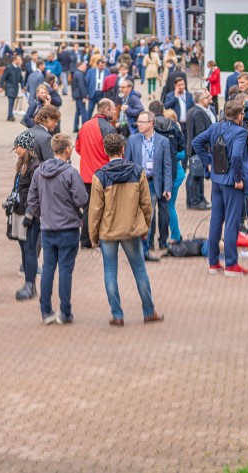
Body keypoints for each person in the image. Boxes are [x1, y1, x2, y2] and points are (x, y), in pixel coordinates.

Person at [89, 133, 164, 326]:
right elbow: (146, 204)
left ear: (105, 151)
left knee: (110, 271)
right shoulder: (137, 171)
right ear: (123, 149)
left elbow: (95, 210)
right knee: (139, 269)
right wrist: (145, 226)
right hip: (131, 228)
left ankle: (117, 314)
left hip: (108, 230)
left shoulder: (99, 176)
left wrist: (93, 235)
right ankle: (149, 311)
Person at [25, 134, 88, 325]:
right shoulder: (70, 172)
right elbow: (82, 199)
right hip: (68, 227)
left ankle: (46, 311)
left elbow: (32, 200)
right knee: (65, 270)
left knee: (48, 270)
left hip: (48, 227)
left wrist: (43, 213)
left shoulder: (39, 172)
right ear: (67, 149)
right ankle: (65, 311)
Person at [193, 100, 248, 277]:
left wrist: (208, 163)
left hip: (217, 180)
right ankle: (231, 264)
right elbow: (236, 156)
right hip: (232, 183)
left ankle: (213, 262)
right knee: (232, 222)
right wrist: (238, 178)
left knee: (216, 221)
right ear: (240, 115)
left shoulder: (215, 127)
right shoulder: (240, 132)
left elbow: (197, 142)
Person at [125, 110, 172, 262]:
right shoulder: (133, 140)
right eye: (138, 122)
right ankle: (142, 250)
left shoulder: (163, 141)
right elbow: (127, 163)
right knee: (144, 218)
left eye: (142, 122)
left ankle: (145, 249)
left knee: (149, 217)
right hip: (138, 183)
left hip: (154, 183)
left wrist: (168, 188)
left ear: (151, 123)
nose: (138, 124)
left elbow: (167, 166)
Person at [75, 98, 116, 248]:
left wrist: (89, 157)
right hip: (103, 175)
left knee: (87, 208)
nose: (115, 111)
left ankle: (85, 240)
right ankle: (100, 238)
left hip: (86, 174)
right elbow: (114, 154)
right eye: (113, 109)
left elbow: (78, 148)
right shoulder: (108, 128)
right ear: (105, 110)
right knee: (104, 208)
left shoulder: (84, 126)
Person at [11, 131, 42, 301]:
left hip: (29, 214)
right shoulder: (23, 165)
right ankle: (28, 283)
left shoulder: (35, 167)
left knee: (30, 249)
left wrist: (30, 213)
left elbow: (36, 192)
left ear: (27, 148)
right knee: (24, 249)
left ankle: (30, 285)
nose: (16, 150)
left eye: (19, 147)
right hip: (19, 210)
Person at [186, 90, 215, 210]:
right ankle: (195, 201)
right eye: (207, 97)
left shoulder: (194, 110)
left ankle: (199, 198)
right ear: (202, 100)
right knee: (196, 176)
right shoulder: (198, 113)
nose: (209, 98)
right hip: (198, 150)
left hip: (194, 149)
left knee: (195, 175)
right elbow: (201, 133)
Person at [163, 109, 186, 243]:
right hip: (176, 173)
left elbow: (181, 154)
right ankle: (175, 234)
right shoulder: (174, 131)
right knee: (169, 206)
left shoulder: (174, 133)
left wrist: (168, 155)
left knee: (169, 206)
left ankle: (175, 235)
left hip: (176, 174)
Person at [0, 54, 22, 122]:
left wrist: (23, 87)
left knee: (12, 101)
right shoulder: (8, 67)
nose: (19, 61)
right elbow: (3, 77)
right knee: (11, 101)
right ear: (14, 60)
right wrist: (0, 86)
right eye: (18, 60)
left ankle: (10, 115)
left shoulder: (19, 68)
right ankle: (10, 116)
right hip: (9, 87)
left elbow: (21, 79)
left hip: (15, 88)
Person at [72, 60, 89, 132]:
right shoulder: (80, 74)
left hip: (77, 95)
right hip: (80, 96)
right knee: (83, 112)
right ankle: (84, 127)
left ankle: (75, 127)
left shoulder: (77, 73)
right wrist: (84, 97)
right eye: (84, 66)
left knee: (78, 111)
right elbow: (81, 86)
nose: (86, 67)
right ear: (80, 66)